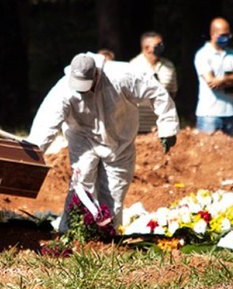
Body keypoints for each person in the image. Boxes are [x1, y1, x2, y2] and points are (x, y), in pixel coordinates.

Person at [28, 53, 179, 231]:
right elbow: (46, 124)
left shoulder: (122, 75)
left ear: (96, 75)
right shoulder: (63, 90)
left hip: (119, 140)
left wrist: (167, 126)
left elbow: (157, 92)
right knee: (81, 185)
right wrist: (31, 154)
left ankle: (106, 238)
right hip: (82, 138)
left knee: (114, 193)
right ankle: (71, 232)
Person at [194, 17, 233, 137]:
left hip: (230, 111)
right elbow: (211, 82)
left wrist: (224, 79)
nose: (226, 38)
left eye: (228, 35)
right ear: (213, 34)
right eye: (223, 35)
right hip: (209, 114)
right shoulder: (203, 54)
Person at [130, 31, 178, 133]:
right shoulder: (133, 67)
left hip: (162, 126)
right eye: (158, 45)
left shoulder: (169, 66)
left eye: (161, 44)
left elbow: (173, 92)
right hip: (139, 127)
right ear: (147, 48)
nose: (161, 47)